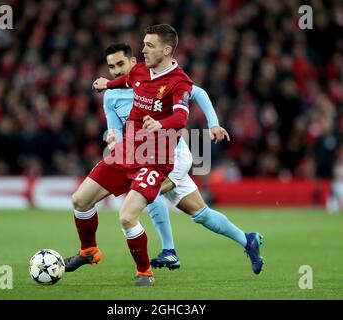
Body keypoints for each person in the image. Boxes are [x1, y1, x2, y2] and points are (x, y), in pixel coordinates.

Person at [102, 43, 264, 275]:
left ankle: (169, 250)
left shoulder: (156, 80)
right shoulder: (110, 96)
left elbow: (199, 93)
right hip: (146, 157)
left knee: (148, 191)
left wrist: (214, 123)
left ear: (133, 62)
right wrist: (113, 140)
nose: (117, 71)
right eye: (111, 67)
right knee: (201, 213)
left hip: (174, 154)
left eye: (120, 64)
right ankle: (247, 240)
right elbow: (117, 130)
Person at [64, 24, 193, 286]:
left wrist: (161, 124)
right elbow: (126, 80)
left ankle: (144, 272)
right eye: (143, 43)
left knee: (126, 216)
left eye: (149, 45)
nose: (143, 49)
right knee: (80, 200)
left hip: (155, 160)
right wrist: (107, 83)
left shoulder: (180, 82)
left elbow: (181, 115)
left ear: (167, 50)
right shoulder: (140, 70)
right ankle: (89, 250)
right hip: (126, 152)